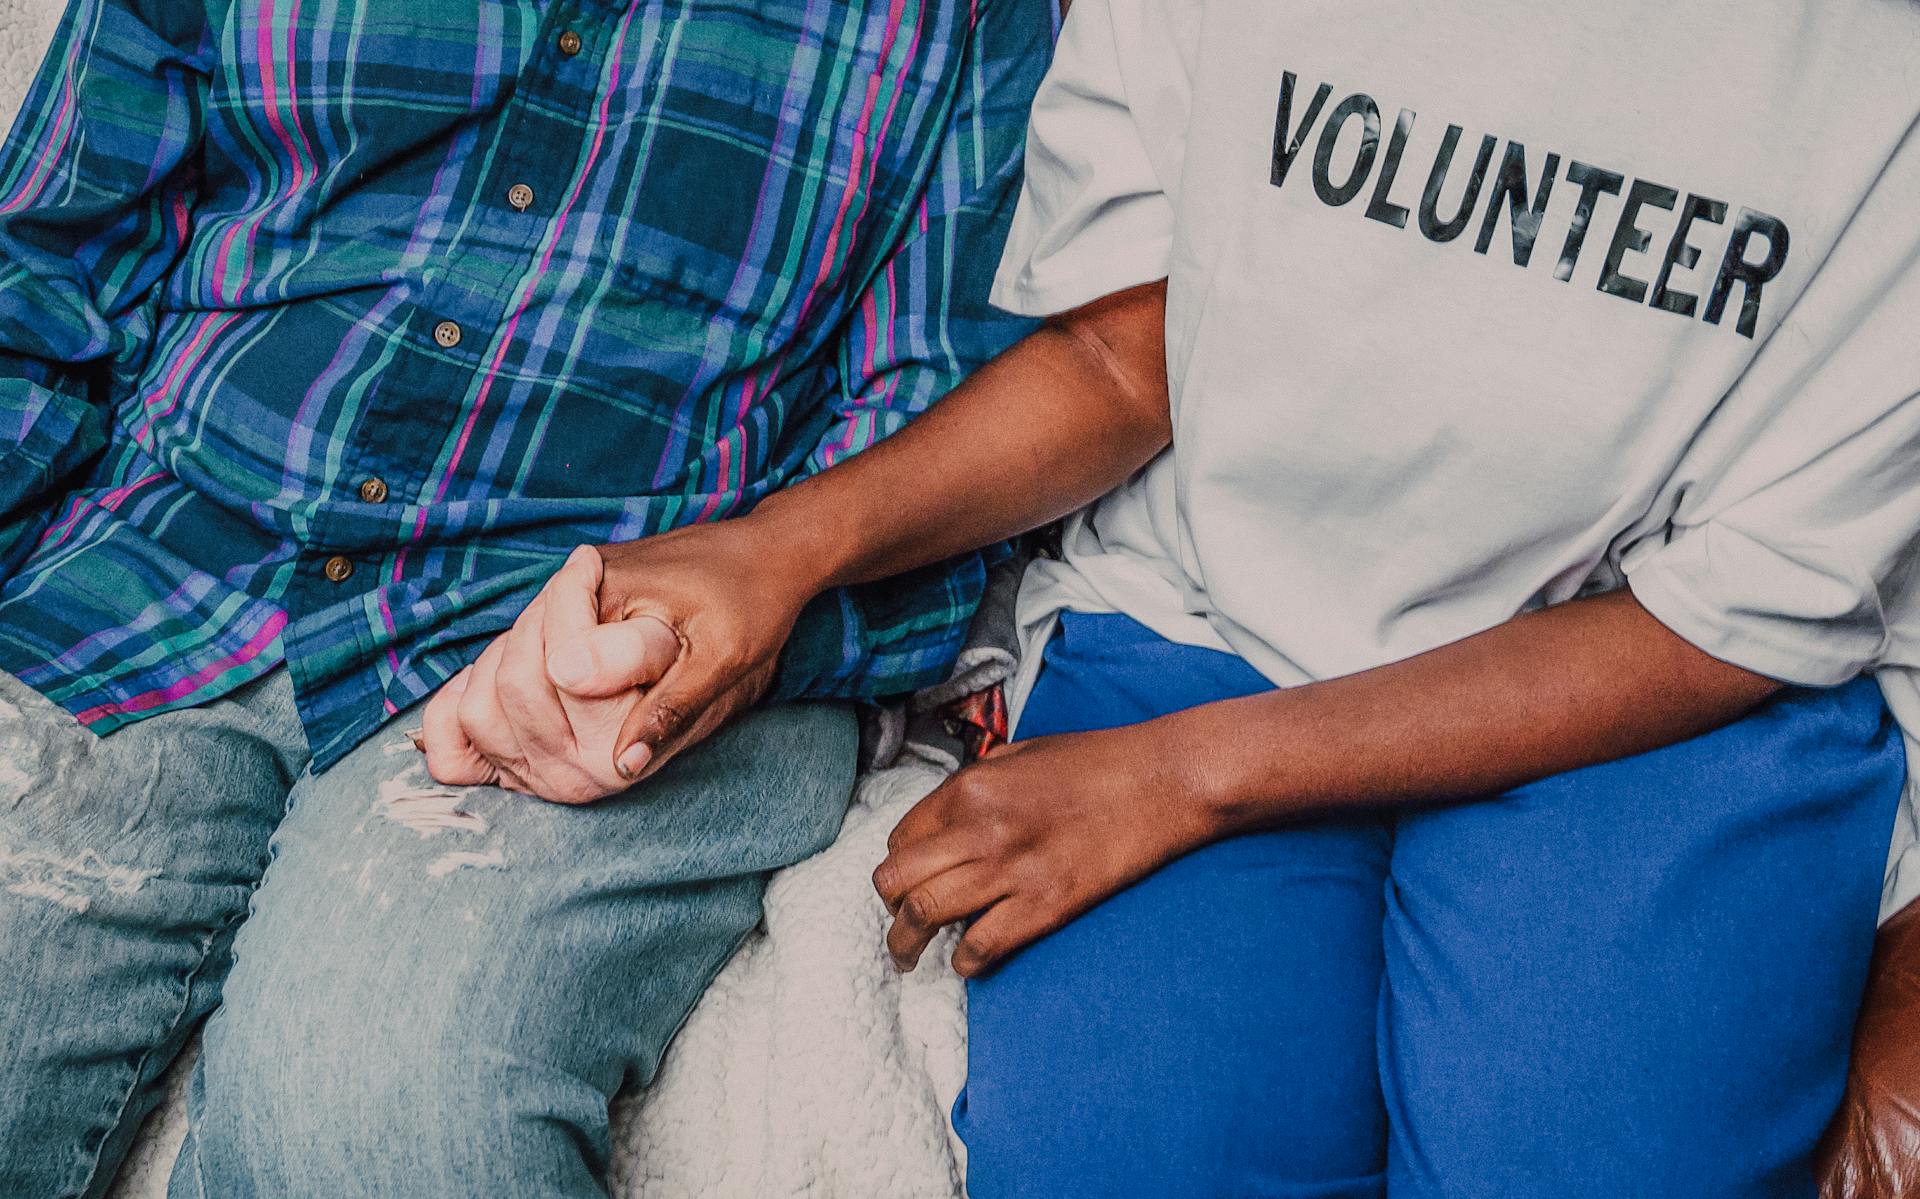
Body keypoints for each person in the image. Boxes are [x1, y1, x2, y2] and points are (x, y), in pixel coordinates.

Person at [503, 0, 1920, 1194]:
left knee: (1581, 1154)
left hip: (1648, 700)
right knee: (1131, 1149)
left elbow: (1724, 616)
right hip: (1203, 620)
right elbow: (1129, 362)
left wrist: (1185, 776)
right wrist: (784, 546)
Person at [0, 0, 1048, 1193]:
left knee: (382, 1121)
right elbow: (44, 260)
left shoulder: (966, 21)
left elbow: (940, 433)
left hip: (598, 633)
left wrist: (727, 623)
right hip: (156, 561)